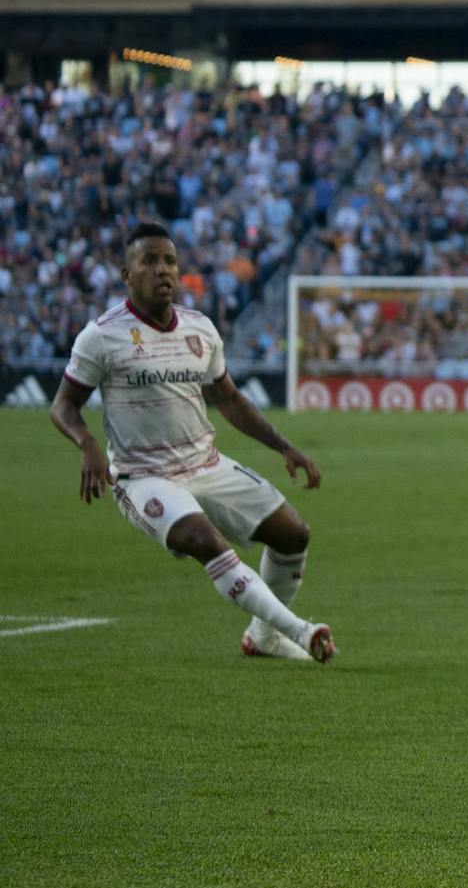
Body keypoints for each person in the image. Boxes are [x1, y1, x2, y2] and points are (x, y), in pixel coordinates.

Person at [49, 222, 334, 661]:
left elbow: (230, 400)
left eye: (170, 261)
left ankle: (261, 637)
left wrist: (284, 447)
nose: (163, 270)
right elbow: (63, 405)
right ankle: (299, 630)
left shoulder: (200, 330)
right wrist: (86, 444)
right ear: (126, 275)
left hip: (206, 464)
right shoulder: (102, 336)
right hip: (143, 477)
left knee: (294, 535)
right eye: (149, 261)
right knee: (204, 540)